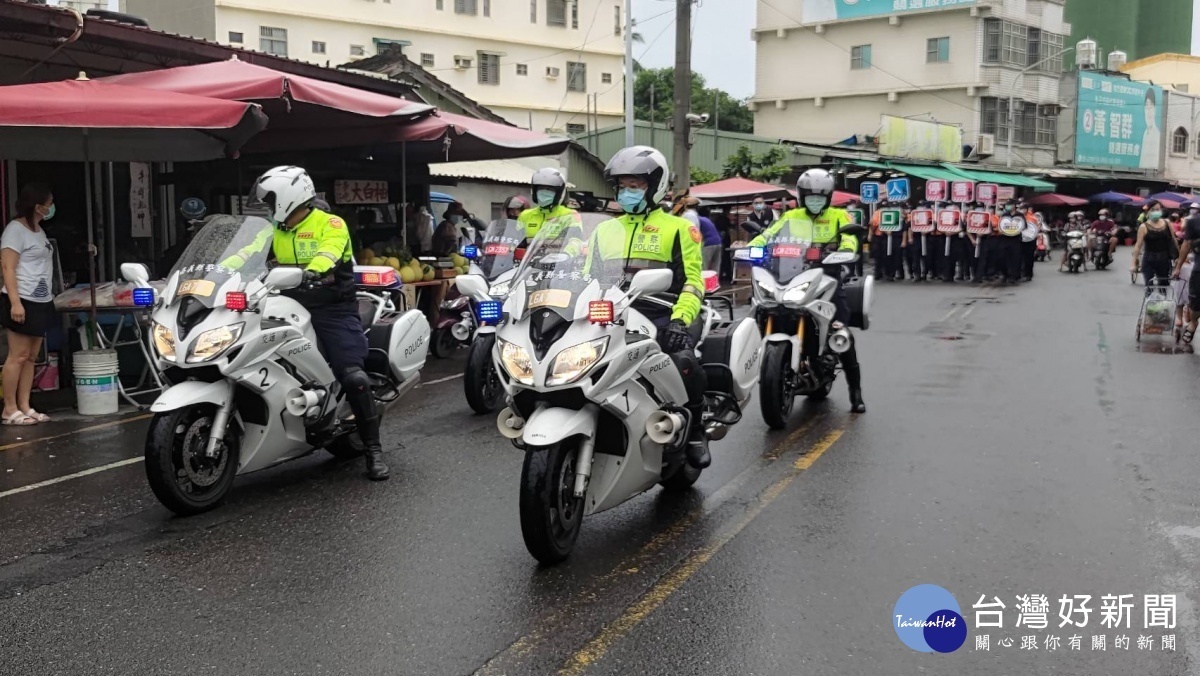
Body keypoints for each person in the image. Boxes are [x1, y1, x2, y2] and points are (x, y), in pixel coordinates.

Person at [223, 166, 389, 480]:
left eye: (271, 201)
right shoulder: (274, 228)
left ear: (288, 197)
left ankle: (373, 450)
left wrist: (314, 270)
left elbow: (330, 250)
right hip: (283, 303)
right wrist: (220, 269)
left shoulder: (331, 224)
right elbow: (246, 253)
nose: (269, 208)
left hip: (332, 307)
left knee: (353, 376)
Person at [583, 146, 711, 469]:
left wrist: (681, 320)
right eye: (622, 186)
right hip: (617, 316)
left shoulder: (679, 228)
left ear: (655, 187)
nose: (626, 193)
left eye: (635, 186)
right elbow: (587, 281)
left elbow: (692, 283)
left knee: (684, 361)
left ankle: (695, 431)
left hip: (665, 313)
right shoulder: (603, 230)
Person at [748, 168, 866, 414]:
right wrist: (753, 246)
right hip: (792, 274)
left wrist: (844, 250)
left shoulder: (838, 216)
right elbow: (769, 235)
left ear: (828, 197)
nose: (815, 200)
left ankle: (855, 393)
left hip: (827, 275)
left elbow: (850, 239)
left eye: (820, 196)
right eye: (810, 196)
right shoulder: (790, 217)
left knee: (841, 332)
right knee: (757, 310)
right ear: (801, 196)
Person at [1, 184, 58, 425]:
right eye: (49, 202)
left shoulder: (38, 230)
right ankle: (9, 409)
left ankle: (25, 405)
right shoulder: (15, 230)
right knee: (18, 355)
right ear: (38, 206)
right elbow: (7, 268)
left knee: (32, 356)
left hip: (41, 300)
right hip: (21, 298)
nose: (52, 207)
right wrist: (15, 303)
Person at [518, 168, 581, 240]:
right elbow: (513, 238)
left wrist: (567, 251)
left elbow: (575, 240)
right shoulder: (525, 215)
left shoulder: (569, 215)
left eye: (549, 189)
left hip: (558, 251)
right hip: (528, 251)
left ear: (558, 194)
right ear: (534, 192)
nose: (544, 192)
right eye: (541, 188)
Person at [1131, 200, 1178, 287]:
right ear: (1148, 211)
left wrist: (1178, 257)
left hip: (1164, 260)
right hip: (1149, 259)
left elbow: (1173, 239)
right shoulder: (1143, 227)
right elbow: (1138, 245)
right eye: (1153, 210)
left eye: (1158, 210)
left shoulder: (1167, 223)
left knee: (1163, 286)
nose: (1155, 212)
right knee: (1149, 287)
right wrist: (1133, 264)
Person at [1172, 205, 1200, 345]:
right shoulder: (1193, 222)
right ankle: (1194, 322)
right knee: (1195, 303)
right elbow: (1186, 244)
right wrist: (1178, 267)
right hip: (1198, 267)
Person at [696, 205, 723, 274]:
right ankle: (715, 283)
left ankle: (704, 283)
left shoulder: (697, 219)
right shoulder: (707, 219)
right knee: (716, 266)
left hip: (708, 243)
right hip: (718, 242)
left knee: (704, 265)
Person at [1020, 208, 1040, 281]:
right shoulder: (1019, 217)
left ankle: (1028, 275)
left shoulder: (1032, 218)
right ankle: (1021, 273)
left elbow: (1036, 228)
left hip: (1031, 240)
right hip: (1021, 239)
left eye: (1023, 208)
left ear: (1027, 209)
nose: (1022, 210)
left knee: (1029, 258)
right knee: (1021, 257)